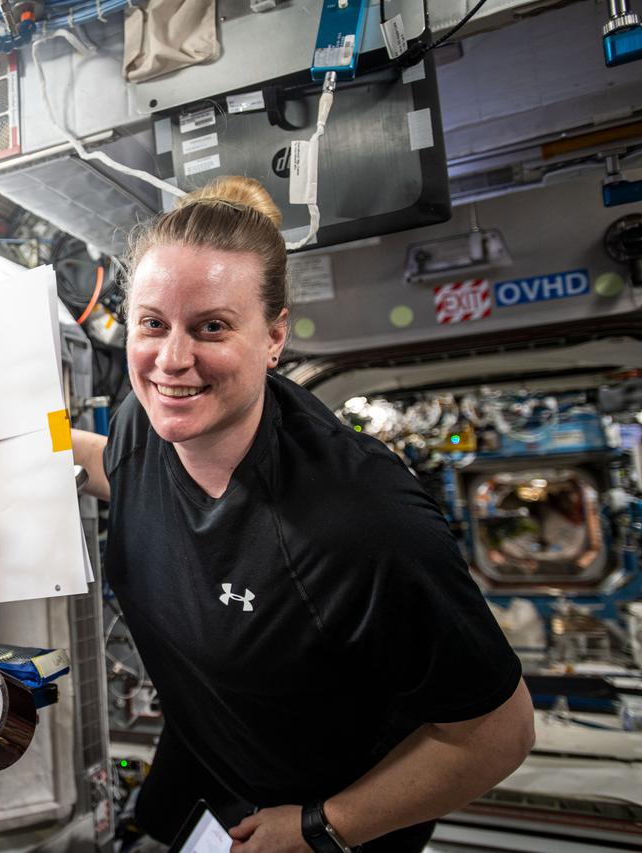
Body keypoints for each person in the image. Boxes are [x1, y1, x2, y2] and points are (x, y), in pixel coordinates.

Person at [71, 176, 534, 852]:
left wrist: (322, 825)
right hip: (205, 751)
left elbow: (499, 733)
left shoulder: (365, 526)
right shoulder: (145, 422)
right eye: (153, 323)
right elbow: (122, 473)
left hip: (322, 811)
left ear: (274, 337)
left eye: (212, 327)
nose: (171, 360)